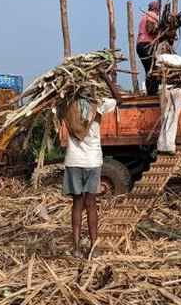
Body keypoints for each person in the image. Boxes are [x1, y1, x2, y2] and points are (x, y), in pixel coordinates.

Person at [62, 68, 122, 258]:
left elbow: (58, 96)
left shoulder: (68, 106)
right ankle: (94, 247)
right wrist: (105, 76)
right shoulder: (99, 105)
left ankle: (76, 248)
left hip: (73, 162)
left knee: (77, 204)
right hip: (93, 162)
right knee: (91, 204)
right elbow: (119, 99)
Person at [154, 41, 181, 154]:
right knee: (174, 116)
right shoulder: (179, 58)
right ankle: (169, 145)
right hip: (180, 88)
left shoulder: (161, 58)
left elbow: (158, 73)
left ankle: (164, 145)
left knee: (165, 115)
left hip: (166, 88)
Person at [136, 1, 160, 95]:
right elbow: (150, 28)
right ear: (154, 7)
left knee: (148, 70)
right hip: (146, 44)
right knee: (154, 69)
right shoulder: (152, 15)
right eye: (158, 6)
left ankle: (150, 91)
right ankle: (152, 92)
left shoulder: (145, 16)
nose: (159, 8)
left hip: (140, 45)